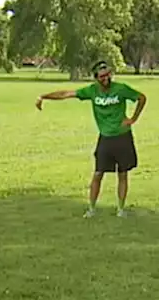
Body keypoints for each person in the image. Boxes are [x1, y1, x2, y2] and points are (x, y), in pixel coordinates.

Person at [35, 61, 147, 217]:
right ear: (96, 78)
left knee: (122, 173)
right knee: (98, 174)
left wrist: (133, 119)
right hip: (105, 138)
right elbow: (66, 94)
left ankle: (121, 209)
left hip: (122, 136)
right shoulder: (92, 91)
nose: (106, 78)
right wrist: (43, 97)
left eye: (108, 74)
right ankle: (91, 209)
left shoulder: (121, 89)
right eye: (102, 76)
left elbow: (141, 98)